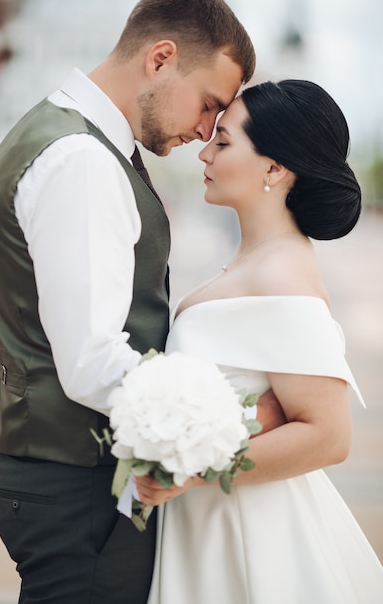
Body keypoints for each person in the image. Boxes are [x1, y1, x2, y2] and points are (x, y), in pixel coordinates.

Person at [0, 0, 286, 603]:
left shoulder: (67, 138)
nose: (205, 132)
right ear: (161, 58)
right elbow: (92, 363)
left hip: (61, 482)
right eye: (207, 104)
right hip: (77, 492)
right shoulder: (81, 160)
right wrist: (237, 420)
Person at [136, 79, 383, 603]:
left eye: (223, 142)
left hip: (250, 530)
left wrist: (195, 470)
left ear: (274, 168)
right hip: (216, 520)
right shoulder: (260, 266)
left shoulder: (281, 277)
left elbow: (329, 436)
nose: (204, 150)